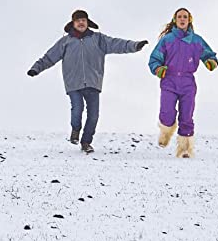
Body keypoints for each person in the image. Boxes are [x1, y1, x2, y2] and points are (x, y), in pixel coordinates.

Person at [27, 10, 148, 154]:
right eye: (78, 20)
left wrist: (135, 46)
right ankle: (76, 129)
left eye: (83, 20)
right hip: (73, 83)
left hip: (93, 82)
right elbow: (49, 57)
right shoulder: (65, 42)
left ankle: (86, 142)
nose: (81, 22)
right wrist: (36, 68)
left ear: (87, 22)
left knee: (94, 115)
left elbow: (117, 44)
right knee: (77, 108)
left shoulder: (98, 39)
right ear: (73, 23)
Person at [148, 7, 218, 159]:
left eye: (185, 17)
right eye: (179, 17)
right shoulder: (167, 40)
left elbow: (209, 54)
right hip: (169, 80)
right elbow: (154, 58)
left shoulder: (196, 41)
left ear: (189, 20)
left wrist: (210, 61)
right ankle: (165, 133)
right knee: (167, 114)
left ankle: (184, 149)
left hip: (188, 82)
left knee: (187, 116)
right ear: (175, 20)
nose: (182, 19)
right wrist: (158, 69)